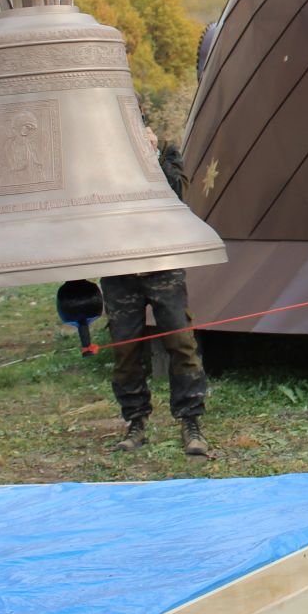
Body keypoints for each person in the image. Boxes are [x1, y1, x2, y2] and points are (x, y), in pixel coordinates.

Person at [103, 135, 210, 457]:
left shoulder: (163, 148)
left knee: (181, 343)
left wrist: (152, 157)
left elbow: (177, 194)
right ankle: (135, 422)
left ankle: (191, 422)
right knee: (125, 348)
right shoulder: (99, 154)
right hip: (119, 265)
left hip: (163, 262)